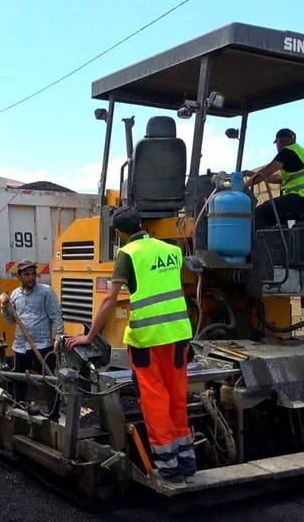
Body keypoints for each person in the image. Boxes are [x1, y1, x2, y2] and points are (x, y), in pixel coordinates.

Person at [65, 207, 195, 486]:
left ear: (118, 233)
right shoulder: (171, 249)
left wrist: (89, 337)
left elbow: (111, 299)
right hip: (179, 335)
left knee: (155, 400)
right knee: (177, 397)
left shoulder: (128, 253)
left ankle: (169, 468)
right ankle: (186, 461)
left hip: (148, 339)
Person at [0, 259, 63, 422]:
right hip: (21, 346)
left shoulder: (46, 292)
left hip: (42, 345)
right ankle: (19, 413)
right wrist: (4, 306)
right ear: (19, 276)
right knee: (19, 381)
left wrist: (58, 337)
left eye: (33, 274)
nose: (31, 278)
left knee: (49, 380)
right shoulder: (15, 295)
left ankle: (53, 418)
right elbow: (9, 321)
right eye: (27, 274)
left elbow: (56, 315)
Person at [244, 128, 304, 228]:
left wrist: (245, 185)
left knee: (259, 213)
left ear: (279, 141)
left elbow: (266, 171)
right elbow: (279, 178)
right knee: (270, 209)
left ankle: (255, 242)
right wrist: (251, 173)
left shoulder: (287, 152)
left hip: (298, 197)